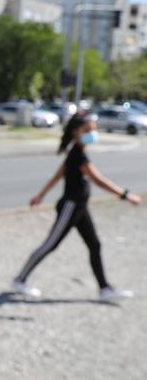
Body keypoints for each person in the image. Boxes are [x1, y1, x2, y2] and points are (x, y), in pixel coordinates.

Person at [13, 112, 141, 300]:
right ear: (76, 132)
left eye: (93, 130)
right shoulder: (78, 155)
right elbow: (99, 180)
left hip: (80, 209)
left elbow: (58, 175)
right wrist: (126, 195)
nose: (92, 134)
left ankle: (104, 288)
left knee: (94, 245)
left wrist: (41, 195)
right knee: (50, 245)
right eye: (87, 130)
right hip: (70, 207)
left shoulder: (77, 151)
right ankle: (19, 279)